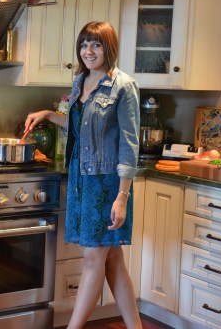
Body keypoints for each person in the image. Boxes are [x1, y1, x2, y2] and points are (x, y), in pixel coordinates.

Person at [24, 22, 142, 329]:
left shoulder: (123, 86)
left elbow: (129, 145)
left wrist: (122, 197)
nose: (88, 51)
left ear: (109, 48)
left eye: (96, 45)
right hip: (81, 178)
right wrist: (48, 115)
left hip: (107, 182)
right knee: (112, 260)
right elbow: (81, 127)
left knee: (93, 261)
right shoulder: (80, 81)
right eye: (84, 44)